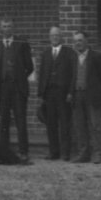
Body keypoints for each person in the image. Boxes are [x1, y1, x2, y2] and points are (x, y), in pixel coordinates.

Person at [0, 17, 35, 156]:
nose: (6, 29)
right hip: (3, 88)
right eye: (4, 26)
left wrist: (19, 77)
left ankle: (23, 152)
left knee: (20, 119)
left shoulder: (21, 44)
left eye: (9, 26)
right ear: (0, 29)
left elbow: (29, 66)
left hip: (18, 88)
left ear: (13, 28)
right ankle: (4, 151)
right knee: (4, 120)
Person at [68, 29, 101, 162]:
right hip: (77, 95)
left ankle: (97, 153)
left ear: (86, 41)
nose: (78, 43)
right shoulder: (73, 58)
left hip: (92, 96)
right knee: (80, 126)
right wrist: (71, 93)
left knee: (95, 125)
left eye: (80, 40)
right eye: (75, 41)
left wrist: (95, 89)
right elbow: (72, 77)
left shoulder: (96, 57)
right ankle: (83, 153)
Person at [37, 24, 74, 162]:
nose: (55, 38)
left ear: (61, 37)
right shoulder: (46, 54)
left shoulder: (68, 53)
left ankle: (65, 153)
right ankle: (54, 152)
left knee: (64, 123)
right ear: (49, 37)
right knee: (51, 124)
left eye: (57, 35)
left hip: (63, 93)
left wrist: (70, 92)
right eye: (52, 35)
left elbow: (72, 75)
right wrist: (41, 93)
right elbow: (42, 74)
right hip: (49, 93)